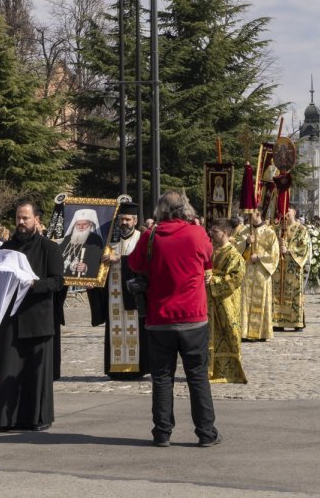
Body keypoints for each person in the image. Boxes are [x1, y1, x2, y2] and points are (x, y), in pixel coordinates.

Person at [127, 190, 220, 447]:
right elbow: (209, 257)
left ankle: (162, 432)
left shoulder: (150, 235)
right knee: (197, 376)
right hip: (193, 316)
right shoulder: (196, 233)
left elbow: (135, 264)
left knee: (162, 377)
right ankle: (206, 432)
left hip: (160, 318)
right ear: (185, 208)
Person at [0, 199, 64, 432]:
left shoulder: (49, 248)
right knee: (6, 368)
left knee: (36, 373)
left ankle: (38, 418)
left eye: (25, 218)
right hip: (11, 317)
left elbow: (58, 282)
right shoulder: (6, 248)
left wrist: (33, 285)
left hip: (38, 316)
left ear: (37, 220)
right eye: (18, 218)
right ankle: (4, 419)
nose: (20, 222)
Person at [90, 203, 151, 379]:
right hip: (113, 296)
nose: (124, 222)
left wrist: (120, 259)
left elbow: (146, 264)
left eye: (127, 219)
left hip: (135, 296)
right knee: (115, 330)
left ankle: (139, 368)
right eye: (121, 219)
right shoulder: (111, 240)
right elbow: (100, 266)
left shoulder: (143, 238)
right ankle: (116, 368)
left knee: (138, 331)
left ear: (135, 220)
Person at [206, 216, 247, 384]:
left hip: (227, 301)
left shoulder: (234, 255)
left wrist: (213, 280)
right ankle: (212, 370)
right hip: (212, 301)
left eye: (214, 231)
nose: (211, 234)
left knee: (229, 331)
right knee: (212, 335)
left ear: (224, 233)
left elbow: (236, 277)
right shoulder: (213, 251)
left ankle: (232, 371)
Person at [235, 209, 279, 341]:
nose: (248, 217)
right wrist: (246, 243)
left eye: (251, 214)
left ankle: (262, 333)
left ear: (258, 214)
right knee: (245, 300)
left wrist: (259, 257)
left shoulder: (269, 232)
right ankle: (245, 332)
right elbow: (235, 250)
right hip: (247, 272)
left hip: (262, 272)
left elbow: (275, 254)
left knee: (262, 300)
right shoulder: (244, 232)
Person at [272, 207, 310, 331]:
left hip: (293, 267)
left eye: (288, 211)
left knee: (294, 293)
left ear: (294, 212)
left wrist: (288, 251)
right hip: (278, 267)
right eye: (284, 211)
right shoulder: (278, 229)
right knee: (277, 294)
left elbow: (304, 248)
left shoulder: (301, 229)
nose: (286, 213)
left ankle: (295, 322)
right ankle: (278, 321)